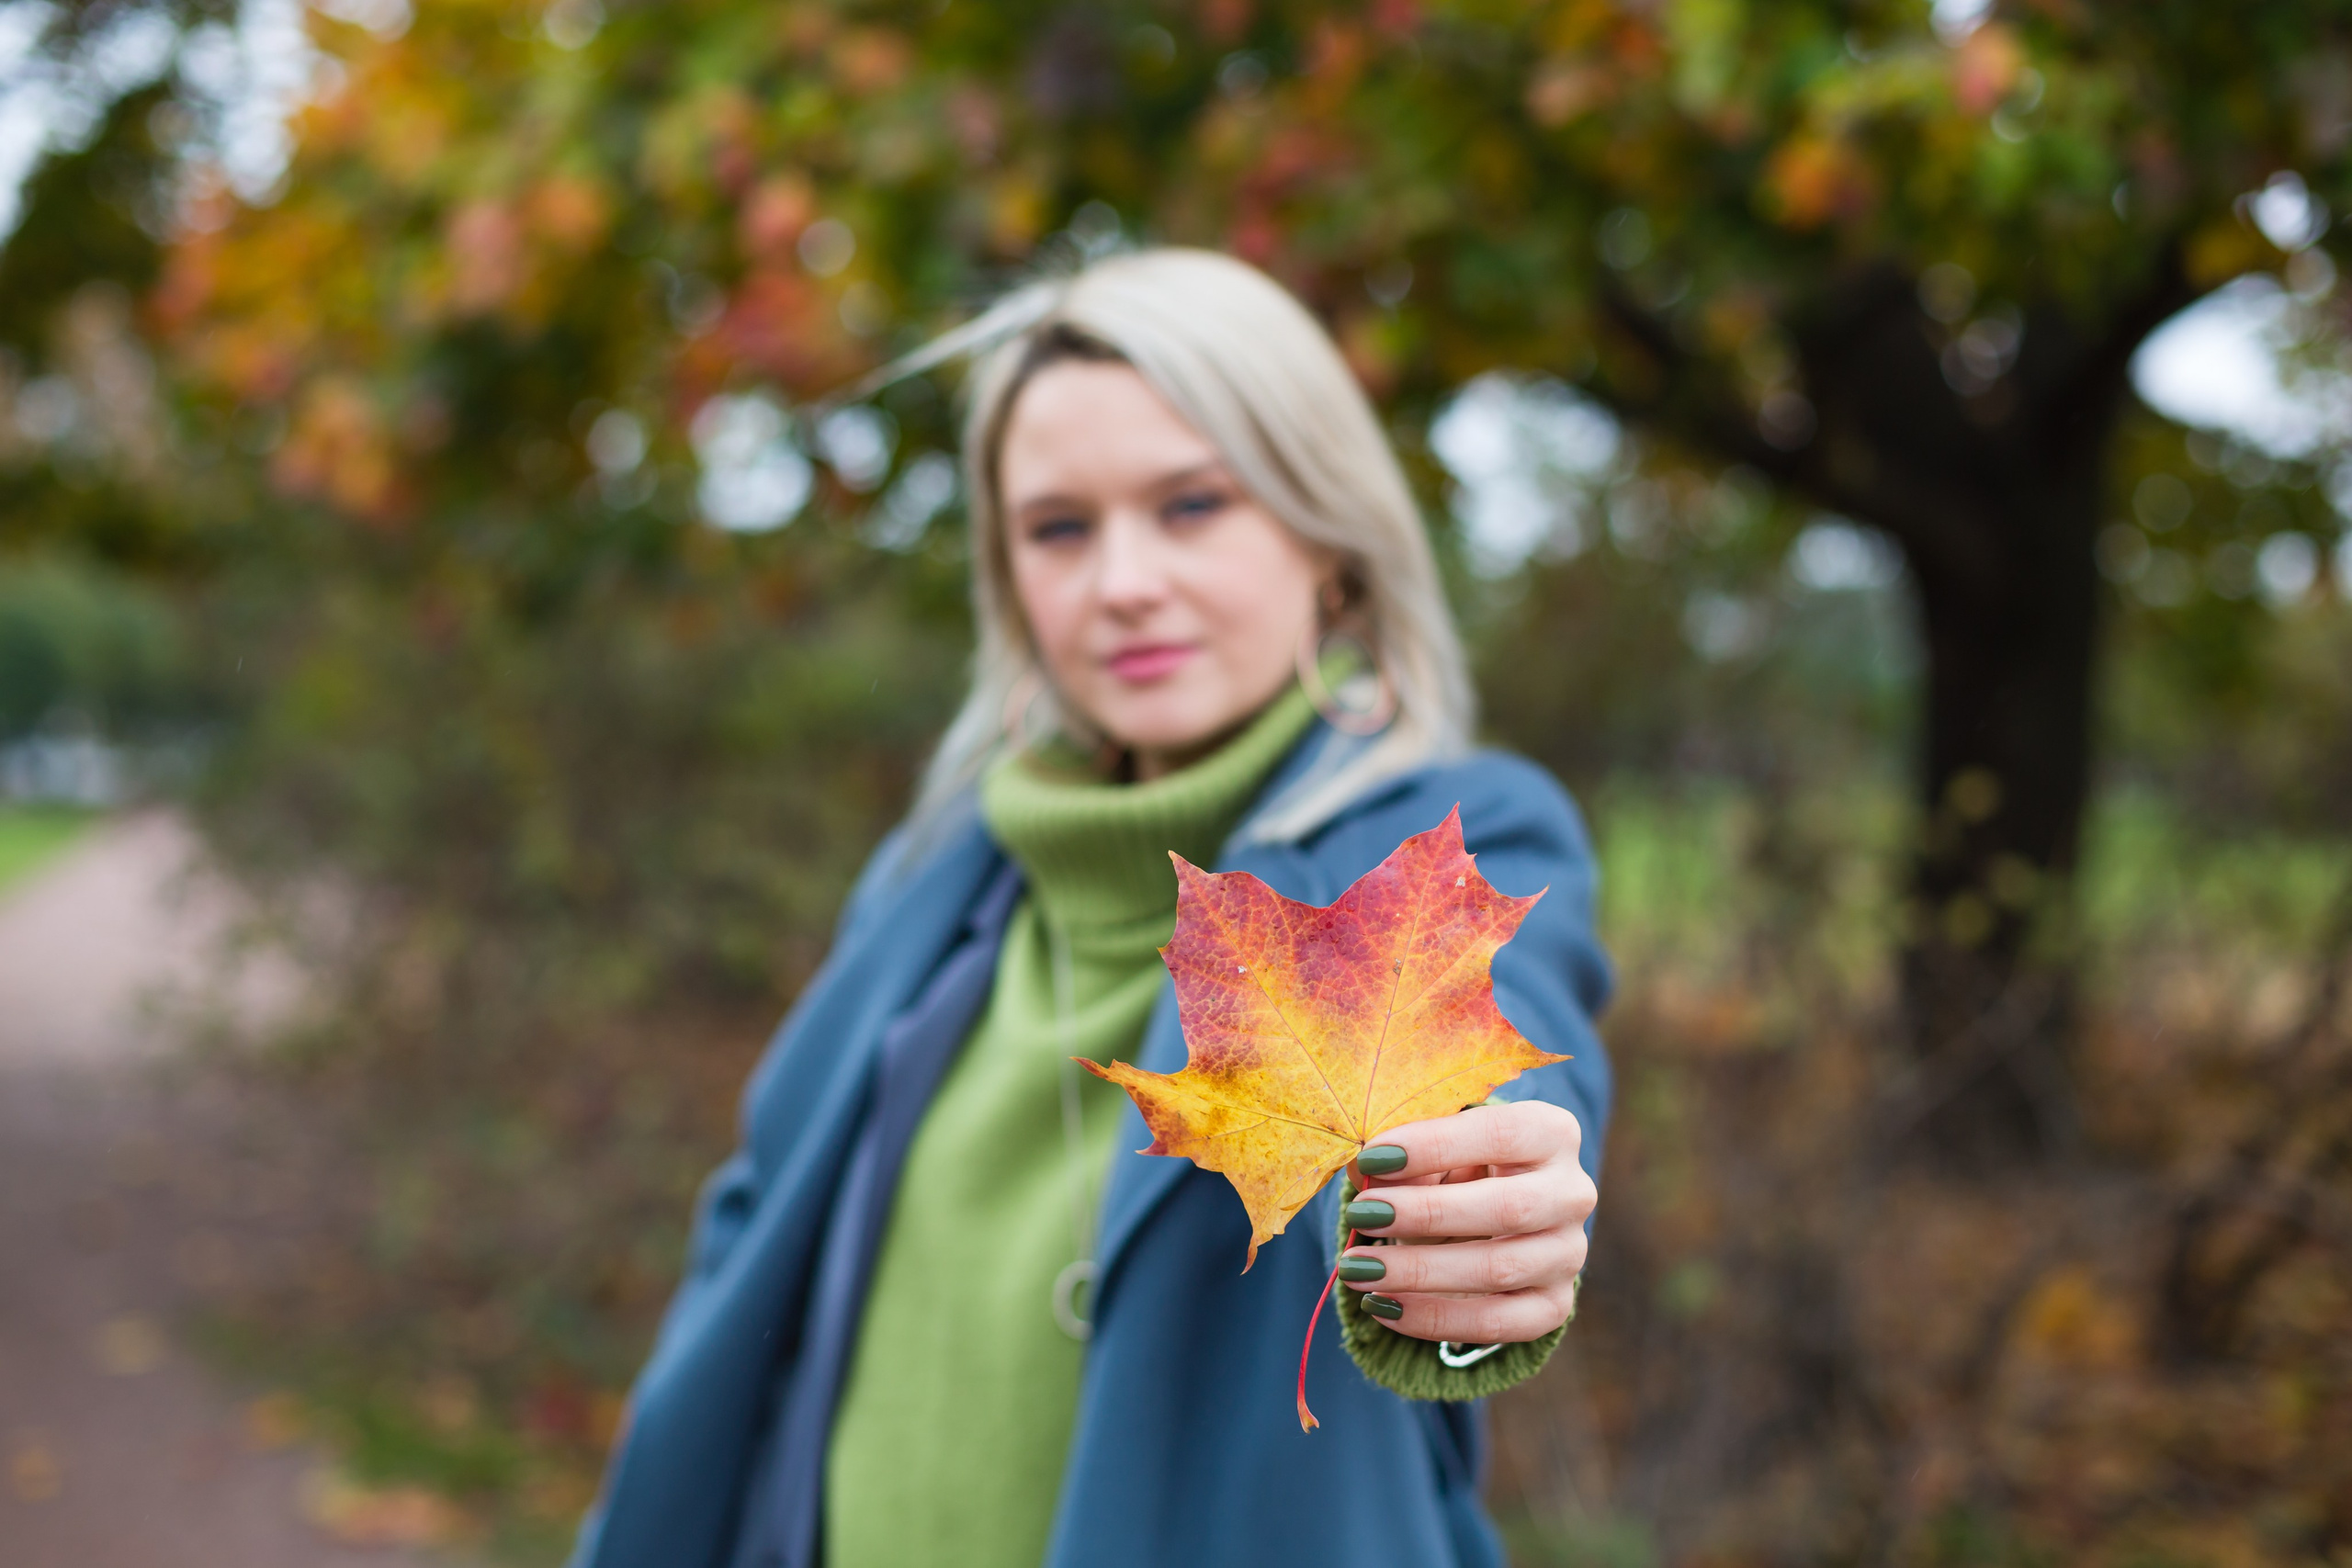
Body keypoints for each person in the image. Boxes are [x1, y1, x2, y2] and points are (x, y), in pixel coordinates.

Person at [571, 248, 1613, 1568]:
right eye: (1060, 528)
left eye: (1191, 506)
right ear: (1011, 582)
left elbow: (1502, 1096)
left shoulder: (1433, 848)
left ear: (1329, 547)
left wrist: (1491, 1227)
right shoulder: (930, 886)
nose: (1122, 581)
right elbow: (749, 1262)